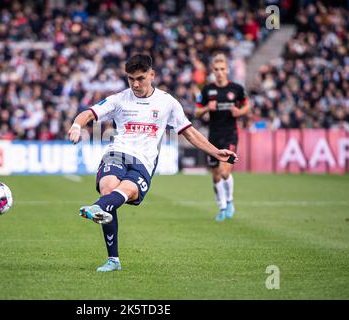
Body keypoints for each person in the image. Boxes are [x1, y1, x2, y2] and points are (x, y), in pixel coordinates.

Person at [68, 54, 237, 272]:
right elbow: (88, 113)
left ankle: (99, 209)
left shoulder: (167, 103)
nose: (136, 84)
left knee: (126, 192)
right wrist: (75, 126)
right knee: (108, 187)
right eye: (131, 79)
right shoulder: (119, 99)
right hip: (117, 152)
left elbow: (190, 133)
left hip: (144, 162)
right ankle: (113, 259)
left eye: (140, 78)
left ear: (152, 74)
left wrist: (216, 152)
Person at [195, 53, 251, 222]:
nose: (219, 72)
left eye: (222, 69)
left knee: (224, 171)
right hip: (213, 137)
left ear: (227, 70)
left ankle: (230, 201)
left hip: (230, 136)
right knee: (215, 175)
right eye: (216, 69)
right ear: (213, 71)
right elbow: (197, 112)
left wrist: (239, 112)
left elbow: (247, 105)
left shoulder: (236, 89)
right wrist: (206, 108)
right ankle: (222, 207)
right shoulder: (207, 90)